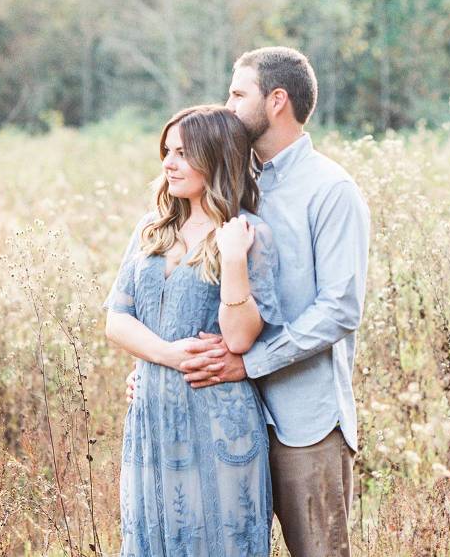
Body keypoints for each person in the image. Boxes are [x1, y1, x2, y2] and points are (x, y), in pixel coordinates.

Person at [128, 48, 371, 557]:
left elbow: (341, 308)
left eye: (238, 94)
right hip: (225, 415)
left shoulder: (331, 189)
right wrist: (163, 366)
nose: (228, 104)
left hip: (303, 420)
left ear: (276, 101)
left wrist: (249, 363)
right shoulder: (235, 180)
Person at [104, 105, 286, 556]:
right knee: (151, 537)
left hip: (218, 418)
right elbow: (116, 319)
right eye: (167, 151)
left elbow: (241, 339)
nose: (169, 163)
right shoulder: (152, 229)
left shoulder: (247, 233)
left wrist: (233, 259)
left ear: (217, 156)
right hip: (150, 416)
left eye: (183, 153)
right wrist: (166, 356)